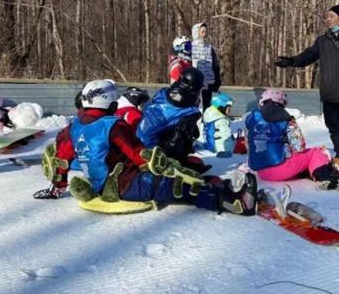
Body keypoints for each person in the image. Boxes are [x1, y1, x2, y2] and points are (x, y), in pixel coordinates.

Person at [33, 79, 257, 217]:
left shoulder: (73, 128)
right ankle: (229, 201)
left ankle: (221, 186)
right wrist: (163, 165)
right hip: (127, 184)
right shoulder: (113, 126)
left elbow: (61, 161)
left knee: (175, 176)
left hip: (102, 184)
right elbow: (138, 154)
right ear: (106, 102)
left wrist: (56, 187)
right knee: (173, 185)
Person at [275, 1, 339, 167]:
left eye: (331, 16)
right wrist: (291, 61)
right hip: (329, 94)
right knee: (335, 128)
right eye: (327, 16)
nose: (327, 19)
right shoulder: (323, 41)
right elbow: (308, 56)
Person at [246, 88, 339, 189]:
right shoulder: (285, 117)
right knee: (315, 152)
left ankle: (306, 170)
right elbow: (299, 146)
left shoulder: (252, 118)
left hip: (261, 172)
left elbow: (249, 143)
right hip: (280, 169)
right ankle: (325, 178)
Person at [137, 67, 210, 173]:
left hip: (137, 142)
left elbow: (147, 109)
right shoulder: (189, 112)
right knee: (185, 131)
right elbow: (176, 142)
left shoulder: (163, 93)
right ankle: (175, 166)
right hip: (152, 154)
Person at [191, 22, 221, 110]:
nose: (204, 34)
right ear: (197, 32)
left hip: (208, 80)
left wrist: (217, 80)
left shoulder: (209, 47)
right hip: (195, 80)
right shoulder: (191, 47)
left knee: (207, 103)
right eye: (202, 32)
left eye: (205, 32)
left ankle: (206, 119)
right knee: (194, 102)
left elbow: (215, 64)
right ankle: (193, 121)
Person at [203, 93, 235, 158]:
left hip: (211, 146)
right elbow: (226, 136)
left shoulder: (211, 116)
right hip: (222, 149)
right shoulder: (221, 121)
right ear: (221, 107)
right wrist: (229, 150)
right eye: (228, 107)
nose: (229, 110)